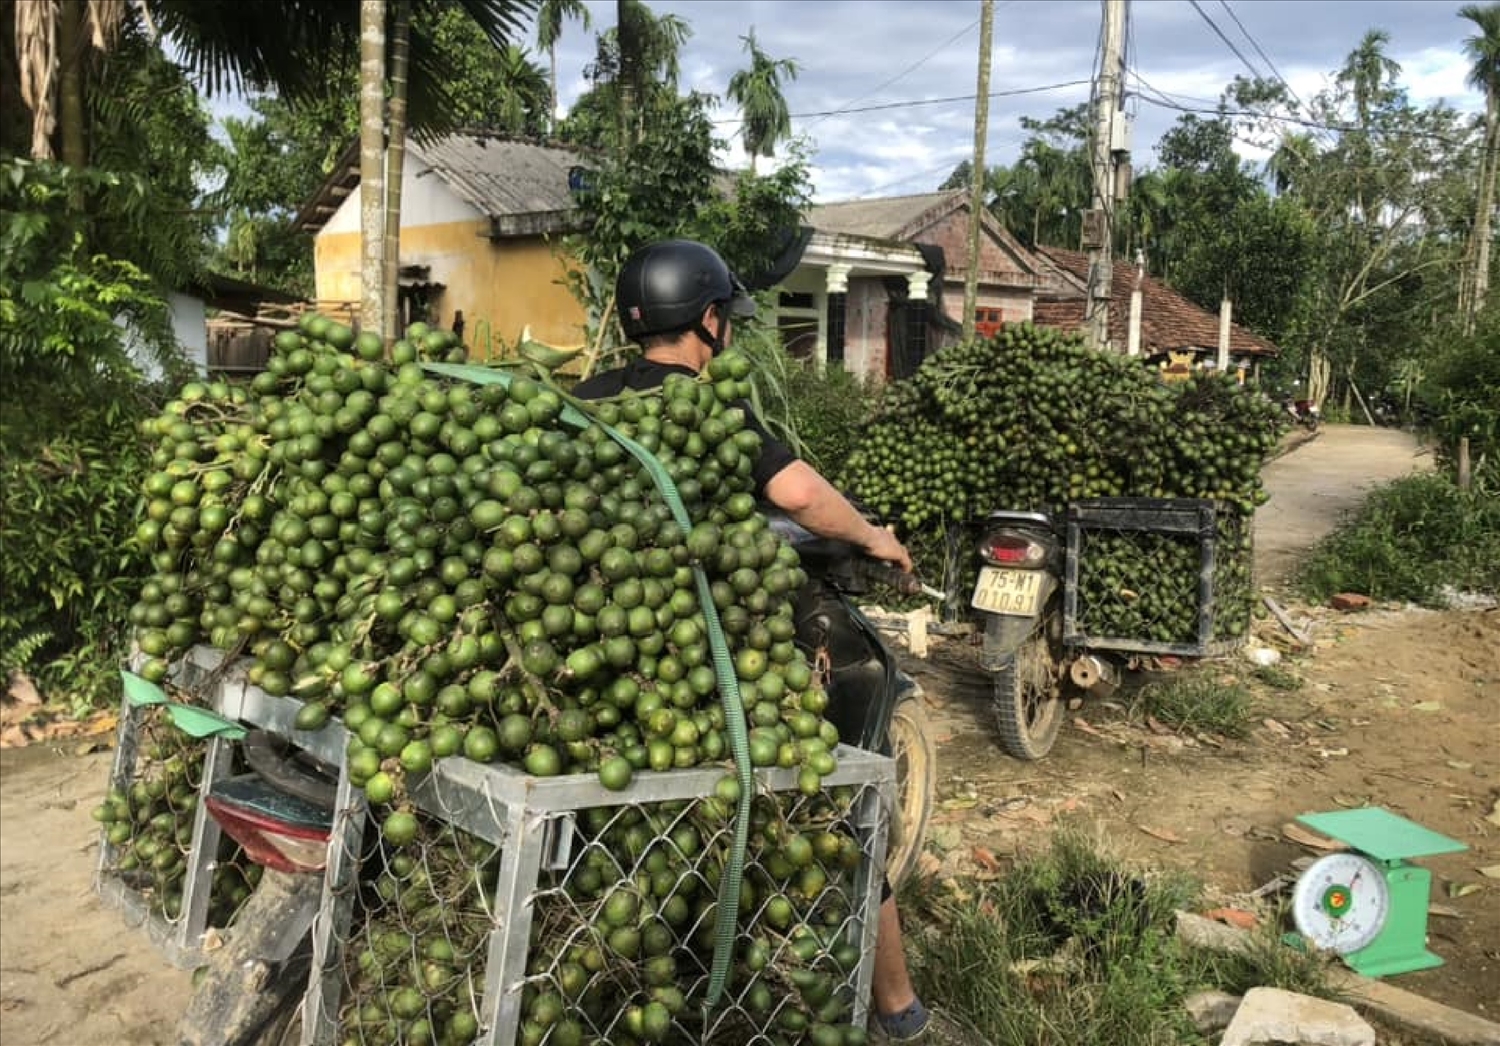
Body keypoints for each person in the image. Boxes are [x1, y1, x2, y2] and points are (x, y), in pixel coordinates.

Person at [573, 239, 972, 1045]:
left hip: (608, 640)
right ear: (710, 321)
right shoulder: (710, 410)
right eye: (725, 319)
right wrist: (873, 538)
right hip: (710, 655)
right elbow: (801, 495)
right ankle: (899, 1011)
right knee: (844, 815)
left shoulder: (589, 399)